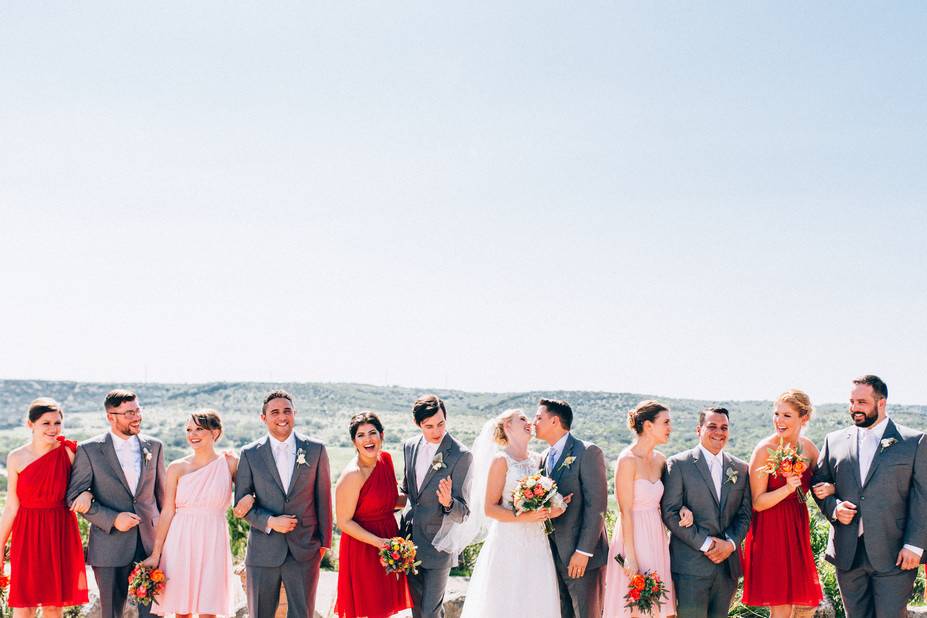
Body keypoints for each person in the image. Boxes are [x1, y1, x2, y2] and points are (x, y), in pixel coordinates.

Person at [812, 375, 927, 617]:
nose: (854, 409)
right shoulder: (833, 440)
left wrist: (914, 545)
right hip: (848, 553)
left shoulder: (914, 442)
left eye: (862, 402)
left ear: (881, 402)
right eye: (851, 402)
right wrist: (833, 508)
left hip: (896, 553)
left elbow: (923, 497)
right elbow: (819, 484)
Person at [140, 410, 252, 617]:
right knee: (182, 609)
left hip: (214, 538)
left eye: (199, 429)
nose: (192, 434)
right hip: (180, 538)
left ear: (215, 433)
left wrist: (249, 499)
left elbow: (250, 493)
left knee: (209, 608)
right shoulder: (177, 467)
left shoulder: (230, 464)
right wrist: (156, 553)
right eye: (189, 429)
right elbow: (167, 512)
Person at [66, 389, 167, 618]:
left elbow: (162, 498)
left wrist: (163, 542)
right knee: (111, 613)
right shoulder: (89, 449)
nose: (137, 416)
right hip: (109, 545)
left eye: (138, 410)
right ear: (110, 417)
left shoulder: (155, 446)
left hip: (150, 544)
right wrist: (113, 519)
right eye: (129, 412)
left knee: (154, 613)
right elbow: (73, 496)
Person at [456, 409, 566, 618]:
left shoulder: (537, 460)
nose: (530, 422)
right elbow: (490, 508)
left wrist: (557, 507)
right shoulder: (501, 460)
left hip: (536, 542)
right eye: (522, 419)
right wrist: (525, 517)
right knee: (505, 598)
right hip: (508, 542)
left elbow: (545, 500)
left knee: (535, 596)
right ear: (507, 426)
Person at [234, 390, 333, 618]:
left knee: (302, 614)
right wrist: (270, 521)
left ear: (294, 413)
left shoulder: (316, 449)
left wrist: (323, 545)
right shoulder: (250, 453)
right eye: (275, 412)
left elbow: (323, 499)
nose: (282, 417)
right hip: (262, 550)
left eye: (287, 411)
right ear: (264, 417)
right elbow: (241, 505)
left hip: (305, 549)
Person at [0, 398, 89, 617]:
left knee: (53, 605)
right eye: (46, 423)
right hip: (27, 533)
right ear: (30, 425)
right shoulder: (16, 457)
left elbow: (89, 484)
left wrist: (88, 493)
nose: (53, 428)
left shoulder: (70, 452)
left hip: (60, 531)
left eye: (57, 423)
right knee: (24, 605)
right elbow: (11, 506)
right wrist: (0, 546)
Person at [661, 407, 752, 618]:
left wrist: (729, 544)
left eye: (724, 427)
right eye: (712, 426)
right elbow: (670, 512)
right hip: (691, 566)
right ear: (698, 430)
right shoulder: (678, 464)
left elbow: (745, 514)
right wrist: (707, 544)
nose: (718, 432)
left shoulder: (741, 468)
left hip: (727, 568)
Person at [741, 390, 824, 615]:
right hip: (771, 529)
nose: (779, 420)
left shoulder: (809, 449)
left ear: (803, 418)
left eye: (787, 415)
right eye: (776, 413)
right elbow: (757, 502)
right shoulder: (764, 450)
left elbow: (823, 481)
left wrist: (831, 487)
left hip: (797, 525)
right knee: (781, 606)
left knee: (802, 604)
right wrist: (787, 488)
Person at [534, 398, 610, 618]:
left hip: (582, 557)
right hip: (552, 555)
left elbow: (597, 506)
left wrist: (583, 552)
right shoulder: (544, 458)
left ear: (555, 421)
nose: (534, 422)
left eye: (539, 417)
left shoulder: (587, 452)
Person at [400, 394, 473, 618]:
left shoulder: (461, 455)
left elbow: (464, 513)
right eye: (429, 426)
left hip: (439, 545)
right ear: (418, 424)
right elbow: (407, 490)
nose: (437, 431)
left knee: (430, 613)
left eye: (441, 423)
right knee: (417, 611)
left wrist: (448, 503)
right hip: (409, 542)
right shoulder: (409, 446)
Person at [603, 400, 678, 617]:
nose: (670, 428)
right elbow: (624, 511)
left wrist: (684, 511)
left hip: (656, 535)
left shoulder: (661, 460)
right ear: (648, 426)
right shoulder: (627, 460)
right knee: (635, 606)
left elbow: (667, 502)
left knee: (656, 604)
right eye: (666, 422)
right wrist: (631, 556)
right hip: (632, 536)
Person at [334, 412, 413, 618]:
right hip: (363, 546)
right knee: (368, 608)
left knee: (384, 609)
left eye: (372, 433)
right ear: (354, 442)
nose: (368, 439)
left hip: (388, 539)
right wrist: (380, 543)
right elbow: (343, 521)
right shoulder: (352, 474)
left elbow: (391, 499)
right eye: (361, 435)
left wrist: (423, 498)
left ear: (382, 436)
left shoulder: (385, 460)